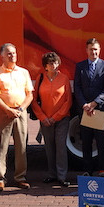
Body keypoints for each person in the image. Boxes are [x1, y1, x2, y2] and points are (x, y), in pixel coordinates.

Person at [0, 43, 33, 191]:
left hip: (20, 112)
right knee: (1, 146)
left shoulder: (24, 72)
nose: (12, 55)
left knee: (21, 146)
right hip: (3, 113)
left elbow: (30, 94)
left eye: (14, 53)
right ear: (2, 55)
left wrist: (21, 109)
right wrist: (8, 109)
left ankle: (20, 177)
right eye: (9, 53)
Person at [31, 52, 72, 187]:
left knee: (60, 147)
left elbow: (68, 101)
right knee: (49, 147)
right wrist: (43, 117)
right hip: (45, 120)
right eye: (49, 63)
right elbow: (34, 100)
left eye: (55, 62)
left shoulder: (64, 78)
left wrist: (55, 118)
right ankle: (51, 174)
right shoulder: (40, 78)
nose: (52, 65)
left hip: (61, 119)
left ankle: (62, 176)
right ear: (45, 66)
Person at [74, 38, 104, 177]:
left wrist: (94, 103)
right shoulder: (80, 66)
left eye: (96, 49)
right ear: (87, 51)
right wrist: (84, 104)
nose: (93, 52)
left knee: (101, 142)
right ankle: (87, 170)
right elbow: (77, 87)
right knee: (86, 142)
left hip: (99, 110)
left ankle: (102, 170)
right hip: (85, 110)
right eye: (91, 49)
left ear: (99, 50)